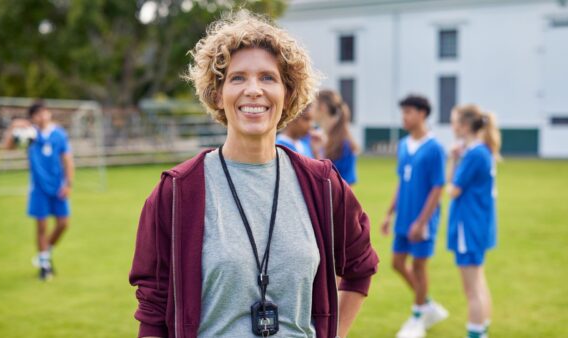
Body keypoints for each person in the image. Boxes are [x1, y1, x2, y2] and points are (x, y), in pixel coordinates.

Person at [129, 10, 378, 338]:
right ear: (218, 94)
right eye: (237, 78)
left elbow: (361, 267)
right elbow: (153, 308)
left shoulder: (322, 185)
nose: (253, 90)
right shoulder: (176, 192)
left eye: (267, 77)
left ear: (287, 93)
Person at [381, 95, 448, 338]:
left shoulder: (435, 148)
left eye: (408, 112)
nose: (404, 117)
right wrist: (389, 214)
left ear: (422, 114)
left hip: (423, 221)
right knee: (397, 263)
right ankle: (427, 304)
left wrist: (422, 222)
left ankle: (417, 319)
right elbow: (401, 181)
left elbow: (438, 187)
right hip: (403, 218)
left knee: (419, 267)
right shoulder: (403, 145)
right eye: (403, 112)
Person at [3, 102, 74, 281]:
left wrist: (68, 184)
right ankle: (44, 266)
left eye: (45, 112)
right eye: (38, 114)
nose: (42, 116)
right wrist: (13, 126)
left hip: (57, 187)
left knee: (63, 224)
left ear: (49, 113)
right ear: (33, 117)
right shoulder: (29, 134)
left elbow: (68, 160)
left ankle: (45, 253)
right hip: (38, 188)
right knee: (41, 226)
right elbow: (7, 147)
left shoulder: (59, 134)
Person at [448, 104, 500, 338]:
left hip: (468, 226)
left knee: (472, 289)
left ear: (465, 125)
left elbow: (453, 189)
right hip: (477, 224)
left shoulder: (475, 153)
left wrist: (453, 158)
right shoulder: (481, 151)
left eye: (454, 121)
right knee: (479, 282)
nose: (452, 126)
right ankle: (482, 329)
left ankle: (476, 333)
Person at [312, 89, 359, 185]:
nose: (310, 109)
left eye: (313, 105)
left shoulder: (345, 145)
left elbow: (347, 186)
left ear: (323, 107)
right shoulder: (314, 136)